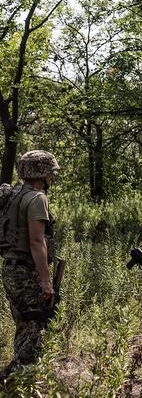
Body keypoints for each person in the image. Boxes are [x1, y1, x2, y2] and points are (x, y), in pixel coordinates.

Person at [1, 150, 59, 379]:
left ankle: (19, 379)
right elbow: (37, 242)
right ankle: (17, 381)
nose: (52, 178)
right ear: (41, 173)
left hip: (10, 268)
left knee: (24, 325)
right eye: (51, 174)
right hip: (25, 270)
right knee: (34, 326)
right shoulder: (37, 198)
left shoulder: (14, 195)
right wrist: (46, 283)